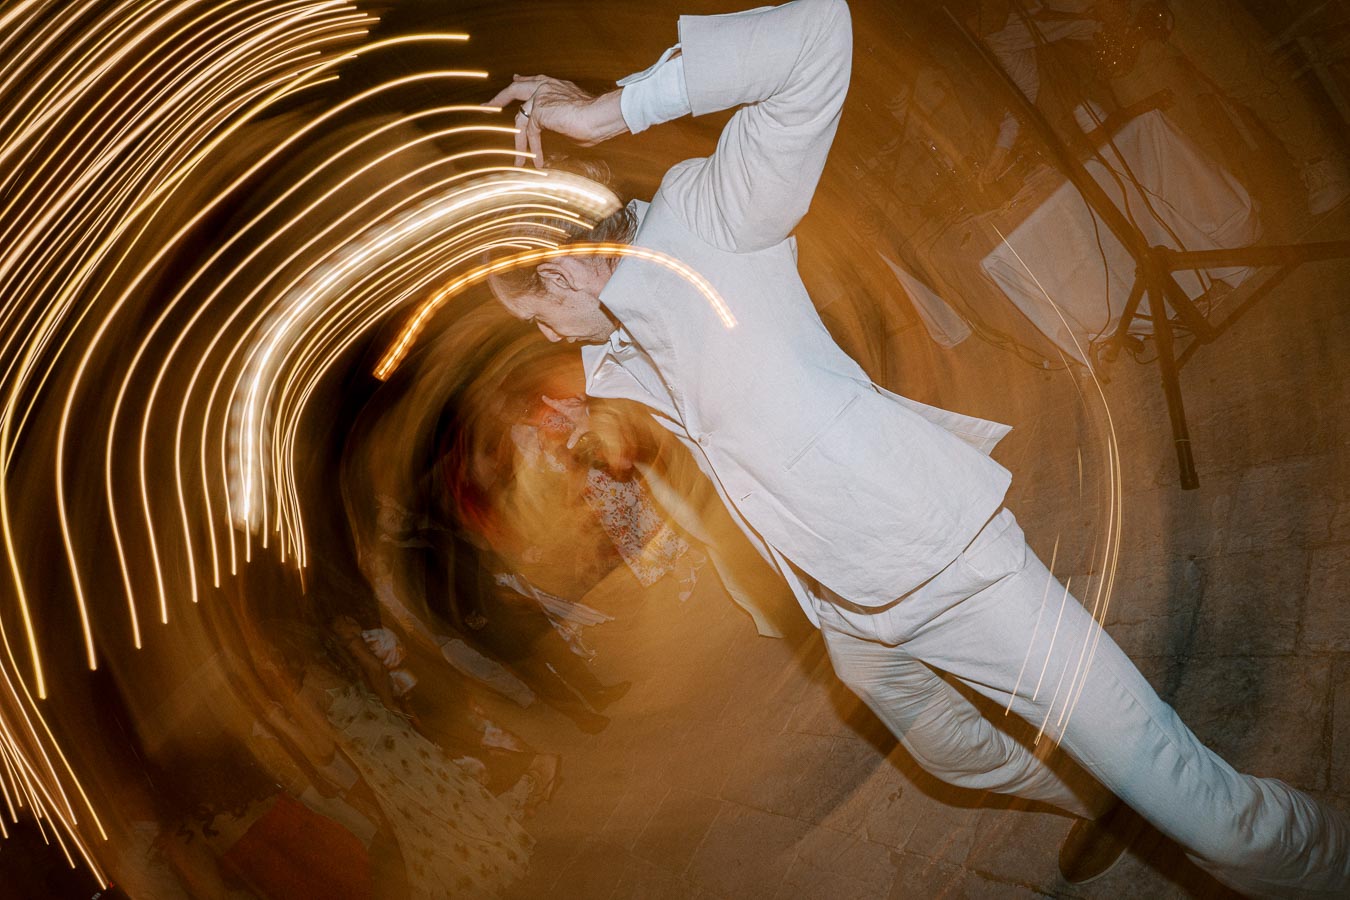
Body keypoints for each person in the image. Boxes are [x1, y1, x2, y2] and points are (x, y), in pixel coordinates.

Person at [482, 0, 1350, 894]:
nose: (552, 335)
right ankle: (1101, 798)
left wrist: (604, 112)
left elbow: (816, 34)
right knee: (958, 758)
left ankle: (1317, 855)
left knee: (1213, 815)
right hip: (850, 610)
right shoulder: (621, 340)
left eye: (539, 313)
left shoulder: (706, 221)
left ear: (557, 272)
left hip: (949, 570)